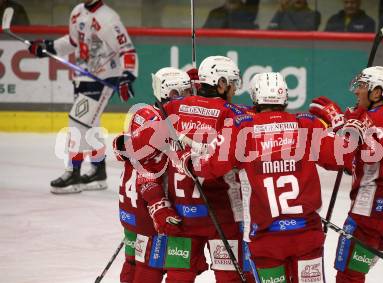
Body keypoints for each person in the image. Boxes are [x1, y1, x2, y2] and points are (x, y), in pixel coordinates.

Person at [180, 72, 350, 282]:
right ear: (285, 98)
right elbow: (345, 157)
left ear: (255, 98)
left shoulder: (242, 127)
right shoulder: (306, 124)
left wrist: (189, 161)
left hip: (265, 239)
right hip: (306, 234)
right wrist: (339, 123)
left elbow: (209, 167)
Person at [315, 66, 383, 283]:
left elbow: (344, 155)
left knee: (348, 276)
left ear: (377, 92)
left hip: (372, 210)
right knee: (355, 272)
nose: (356, 91)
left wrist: (337, 124)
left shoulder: (377, 117)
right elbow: (358, 158)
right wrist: (351, 121)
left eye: (362, 86)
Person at [158, 56, 256, 283]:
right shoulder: (234, 113)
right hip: (222, 216)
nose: (234, 89)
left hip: (181, 216)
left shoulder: (172, 107)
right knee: (231, 279)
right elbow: (257, 119)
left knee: (177, 279)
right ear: (221, 84)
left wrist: (190, 95)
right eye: (232, 83)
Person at [27, 0, 138, 194]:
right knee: (90, 124)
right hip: (83, 77)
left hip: (103, 79)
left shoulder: (109, 18)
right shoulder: (77, 11)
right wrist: (48, 47)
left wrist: (127, 77)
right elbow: (72, 41)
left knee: (77, 120)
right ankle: (98, 171)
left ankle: (73, 173)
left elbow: (127, 49)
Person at [113, 67, 193, 283]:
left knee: (133, 261)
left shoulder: (144, 114)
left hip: (130, 207)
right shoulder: (159, 124)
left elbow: (122, 148)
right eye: (184, 92)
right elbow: (145, 168)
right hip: (144, 210)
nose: (189, 97)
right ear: (169, 93)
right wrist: (158, 204)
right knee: (149, 266)